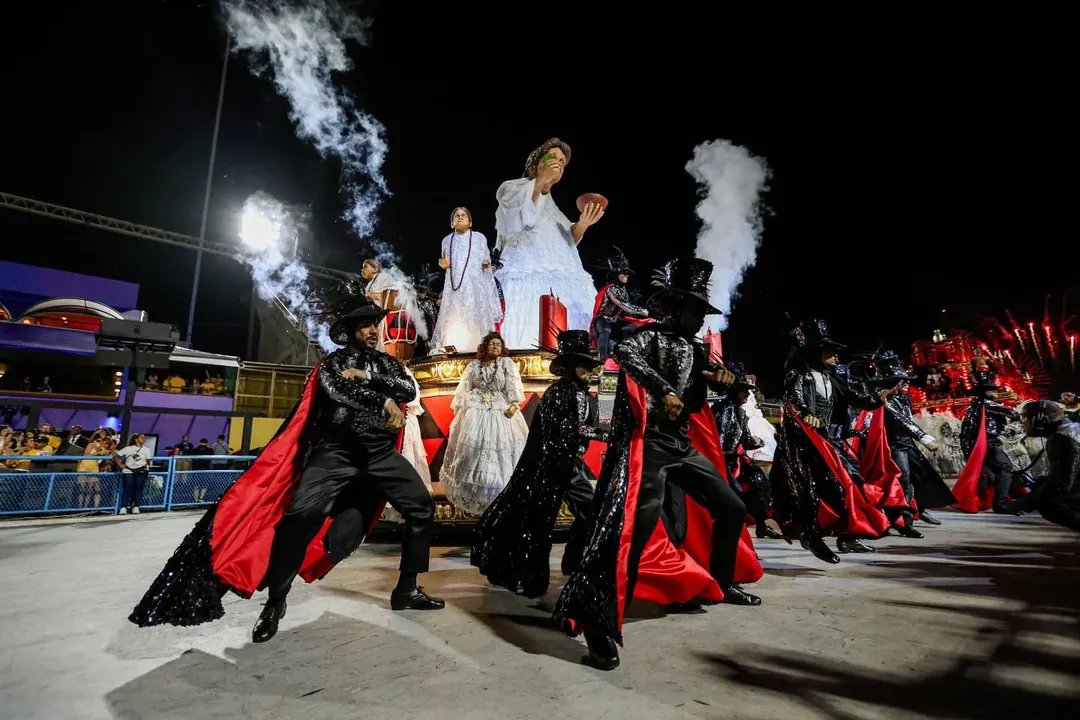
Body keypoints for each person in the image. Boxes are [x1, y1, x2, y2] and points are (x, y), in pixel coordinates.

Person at [128, 293, 443, 641]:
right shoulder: (333, 363)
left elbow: (406, 388)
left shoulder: (387, 365)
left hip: (379, 454)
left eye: (376, 325)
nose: (373, 331)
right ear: (352, 331)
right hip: (334, 454)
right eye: (366, 325)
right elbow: (338, 391)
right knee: (298, 521)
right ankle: (276, 601)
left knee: (421, 506)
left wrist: (369, 378)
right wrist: (382, 399)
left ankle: (407, 589)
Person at [554, 257, 764, 672]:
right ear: (673, 307)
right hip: (644, 445)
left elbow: (695, 400)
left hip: (680, 445)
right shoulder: (640, 336)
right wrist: (659, 392)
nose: (700, 319)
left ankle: (717, 583)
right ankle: (595, 616)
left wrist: (721, 386)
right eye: (695, 311)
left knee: (732, 507)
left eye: (704, 312)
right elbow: (622, 357)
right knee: (633, 531)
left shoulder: (696, 349)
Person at [471, 329, 604, 596]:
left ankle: (573, 560)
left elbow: (588, 427)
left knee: (591, 511)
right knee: (539, 525)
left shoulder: (589, 397)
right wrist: (596, 434)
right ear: (570, 366)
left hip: (571, 467)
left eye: (592, 365)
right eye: (585, 365)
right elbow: (561, 433)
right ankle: (533, 579)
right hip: (547, 467)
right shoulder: (556, 394)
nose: (591, 370)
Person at [770, 319, 896, 564]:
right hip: (801, 444)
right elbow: (793, 398)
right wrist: (807, 415)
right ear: (817, 351)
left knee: (851, 482)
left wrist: (878, 398)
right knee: (808, 490)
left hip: (827, 441)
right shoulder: (798, 375)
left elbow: (855, 398)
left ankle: (847, 535)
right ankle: (810, 534)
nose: (837, 356)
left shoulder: (834, 379)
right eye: (832, 351)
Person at [493, 138, 604, 349]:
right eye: (552, 157)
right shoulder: (513, 187)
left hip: (562, 278)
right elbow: (513, 216)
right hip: (525, 271)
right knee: (529, 323)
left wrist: (583, 224)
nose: (559, 163)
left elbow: (566, 237)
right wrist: (539, 181)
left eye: (562, 161)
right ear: (535, 164)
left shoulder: (553, 207)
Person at [439, 332, 530, 515]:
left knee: (501, 452)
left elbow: (513, 386)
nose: (495, 347)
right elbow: (464, 388)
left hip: (500, 409)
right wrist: (460, 412)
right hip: (476, 409)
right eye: (492, 344)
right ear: (485, 347)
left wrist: (514, 404)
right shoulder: (474, 366)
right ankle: (482, 502)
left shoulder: (505, 364)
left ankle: (502, 499)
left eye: (498, 344)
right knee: (474, 452)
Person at [869, 351, 956, 529]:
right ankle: (904, 520)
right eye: (903, 380)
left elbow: (907, 420)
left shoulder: (903, 397)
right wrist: (924, 437)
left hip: (906, 443)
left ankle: (919, 509)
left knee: (919, 476)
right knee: (904, 479)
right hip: (894, 446)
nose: (907, 383)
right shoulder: (886, 399)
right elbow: (900, 421)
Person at [713, 363, 783, 539]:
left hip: (735, 460)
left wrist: (759, 442)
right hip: (720, 462)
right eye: (744, 391)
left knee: (756, 483)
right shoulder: (722, 409)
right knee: (735, 495)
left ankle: (761, 524)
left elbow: (745, 439)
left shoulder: (741, 413)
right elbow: (722, 440)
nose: (748, 395)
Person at [952, 369, 1023, 513]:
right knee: (1005, 467)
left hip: (982, 444)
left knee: (991, 473)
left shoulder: (975, 405)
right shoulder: (988, 404)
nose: (996, 392)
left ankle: (995, 500)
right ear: (985, 391)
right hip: (989, 444)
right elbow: (1013, 413)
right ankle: (1001, 504)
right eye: (992, 389)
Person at [431, 207, 502, 352]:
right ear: (452, 223)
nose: (460, 217)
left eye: (464, 215)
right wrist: (444, 265)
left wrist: (486, 264)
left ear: (470, 222)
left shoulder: (479, 237)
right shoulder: (446, 240)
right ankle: (454, 347)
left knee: (475, 315)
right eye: (456, 216)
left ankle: (479, 348)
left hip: (475, 285)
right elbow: (446, 260)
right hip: (454, 287)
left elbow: (485, 258)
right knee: (455, 316)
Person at [1009, 400, 1080, 532]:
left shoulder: (1061, 438)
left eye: (1024, 417)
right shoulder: (1070, 430)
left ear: (1040, 420)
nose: (1021, 422)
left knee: (1050, 504)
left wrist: (1023, 503)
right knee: (1042, 486)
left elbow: (1060, 485)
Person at [591, 246, 649, 363]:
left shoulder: (624, 291)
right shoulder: (611, 289)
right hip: (602, 319)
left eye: (627, 273)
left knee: (635, 329)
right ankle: (601, 360)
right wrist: (642, 311)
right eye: (623, 273)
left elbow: (626, 309)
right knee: (605, 330)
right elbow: (623, 305)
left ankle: (628, 357)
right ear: (616, 274)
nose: (626, 275)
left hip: (615, 320)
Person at [114, 433, 152, 515]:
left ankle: (136, 506)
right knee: (127, 488)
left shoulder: (147, 450)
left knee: (139, 489)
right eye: (141, 437)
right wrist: (121, 465)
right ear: (136, 439)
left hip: (141, 471)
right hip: (128, 471)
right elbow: (116, 456)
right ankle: (123, 507)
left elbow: (148, 461)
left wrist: (145, 464)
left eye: (144, 438)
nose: (144, 439)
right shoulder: (128, 449)